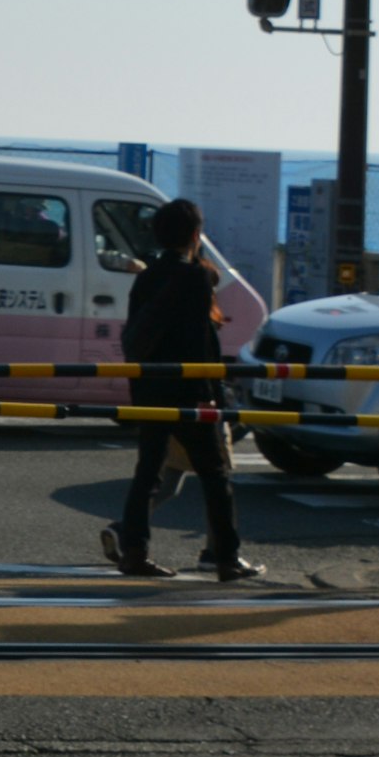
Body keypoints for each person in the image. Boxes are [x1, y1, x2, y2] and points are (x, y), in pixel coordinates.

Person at [102, 197, 258, 580]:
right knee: (215, 474)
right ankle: (225, 557)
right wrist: (211, 392)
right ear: (195, 234)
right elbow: (199, 342)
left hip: (149, 386)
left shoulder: (147, 276)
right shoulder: (195, 277)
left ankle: (134, 552)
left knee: (148, 472)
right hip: (187, 390)